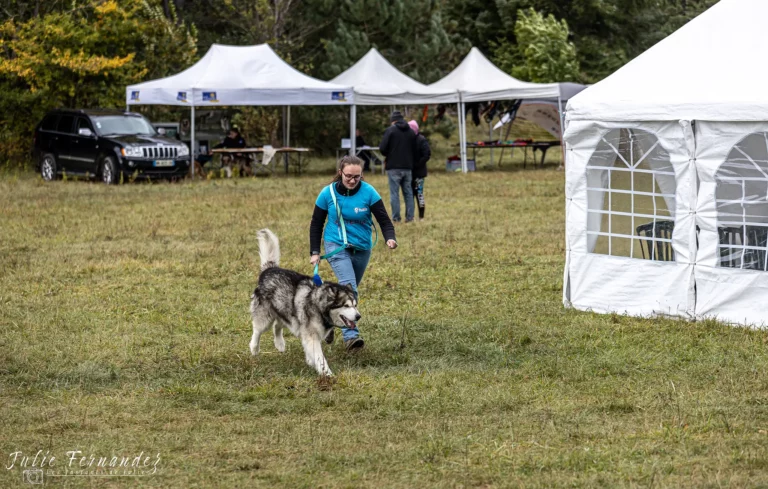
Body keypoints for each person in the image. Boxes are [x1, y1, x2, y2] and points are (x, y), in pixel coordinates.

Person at [309, 155, 397, 351]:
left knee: (348, 290)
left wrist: (390, 237)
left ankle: (328, 320)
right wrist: (315, 251)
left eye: (357, 177)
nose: (352, 180)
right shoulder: (327, 193)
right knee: (350, 289)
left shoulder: (368, 192)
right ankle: (351, 336)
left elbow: (384, 220)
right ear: (340, 173)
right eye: (348, 176)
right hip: (336, 245)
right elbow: (316, 223)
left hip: (362, 247)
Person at [379, 110, 418, 223]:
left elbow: (382, 148)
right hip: (408, 167)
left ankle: (396, 218)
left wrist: (389, 154)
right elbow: (415, 149)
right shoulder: (411, 132)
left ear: (393, 121)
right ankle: (410, 217)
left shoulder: (390, 130)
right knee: (408, 193)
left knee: (394, 193)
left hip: (393, 167)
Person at [408, 120, 431, 221]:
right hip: (409, 173)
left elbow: (427, 155)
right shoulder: (407, 140)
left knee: (419, 194)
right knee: (410, 195)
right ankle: (410, 215)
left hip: (419, 174)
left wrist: (417, 164)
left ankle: (421, 216)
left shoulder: (421, 140)